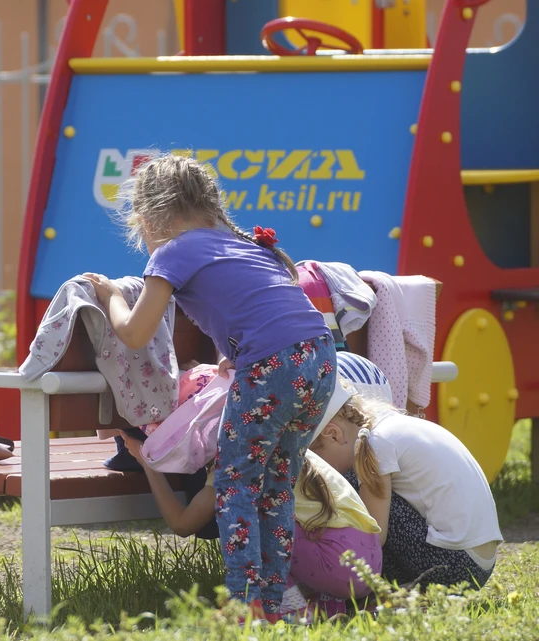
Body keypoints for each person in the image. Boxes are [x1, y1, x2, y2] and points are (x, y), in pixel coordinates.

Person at [83, 154, 337, 619]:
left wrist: (112, 296)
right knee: (277, 485)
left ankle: (245, 604)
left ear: (149, 217)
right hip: (320, 360)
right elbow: (266, 310)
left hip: (271, 366)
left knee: (236, 484)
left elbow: (136, 333)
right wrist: (235, 352)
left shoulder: (174, 252)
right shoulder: (241, 245)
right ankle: (276, 600)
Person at [120, 373, 381, 620]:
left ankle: (287, 609)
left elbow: (182, 524)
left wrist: (148, 464)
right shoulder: (280, 441)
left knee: (242, 512)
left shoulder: (235, 460)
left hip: (337, 563)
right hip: (368, 560)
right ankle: (327, 607)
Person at [310, 379, 502, 589]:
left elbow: (374, 536)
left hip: (455, 564)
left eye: (317, 457)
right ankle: (406, 587)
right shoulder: (391, 425)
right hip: (479, 566)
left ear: (333, 434)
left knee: (349, 481)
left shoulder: (375, 443)